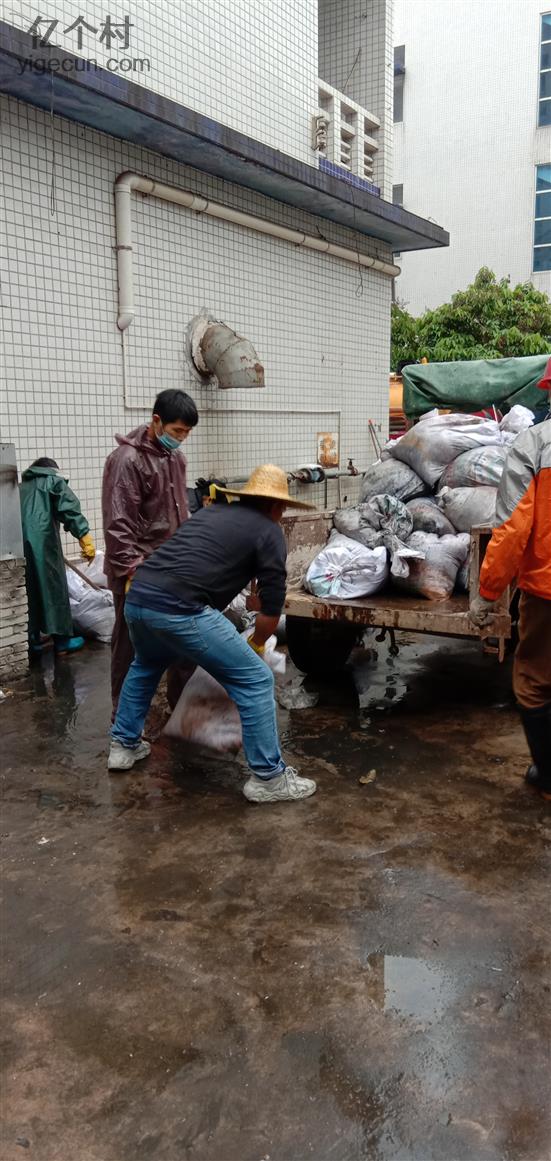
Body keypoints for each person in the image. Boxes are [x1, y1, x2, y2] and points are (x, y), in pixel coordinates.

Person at [107, 464, 318, 805]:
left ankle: (123, 746)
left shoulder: (212, 514)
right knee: (256, 679)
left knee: (145, 665)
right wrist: (256, 645)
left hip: (140, 598)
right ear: (277, 505)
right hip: (181, 608)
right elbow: (270, 614)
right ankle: (269, 778)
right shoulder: (269, 532)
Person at [470, 390, 550, 798]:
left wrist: (488, 591)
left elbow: (514, 529)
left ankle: (548, 776)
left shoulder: (536, 443)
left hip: (547, 593)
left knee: (534, 683)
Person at [102, 389, 198, 715]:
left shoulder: (175, 459)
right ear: (156, 421)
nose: (181, 439)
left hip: (172, 569)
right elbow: (118, 524)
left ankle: (180, 709)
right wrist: (131, 570)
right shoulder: (127, 460)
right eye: (177, 431)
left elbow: (180, 513)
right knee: (130, 647)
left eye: (186, 433)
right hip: (137, 571)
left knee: (184, 641)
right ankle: (125, 720)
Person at [20, 457, 95, 655]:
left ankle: (32, 642)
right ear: (51, 470)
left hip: (19, 547)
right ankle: (62, 641)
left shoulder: (19, 488)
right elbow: (69, 509)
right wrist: (84, 537)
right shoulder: (52, 481)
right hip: (45, 545)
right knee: (53, 587)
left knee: (29, 591)